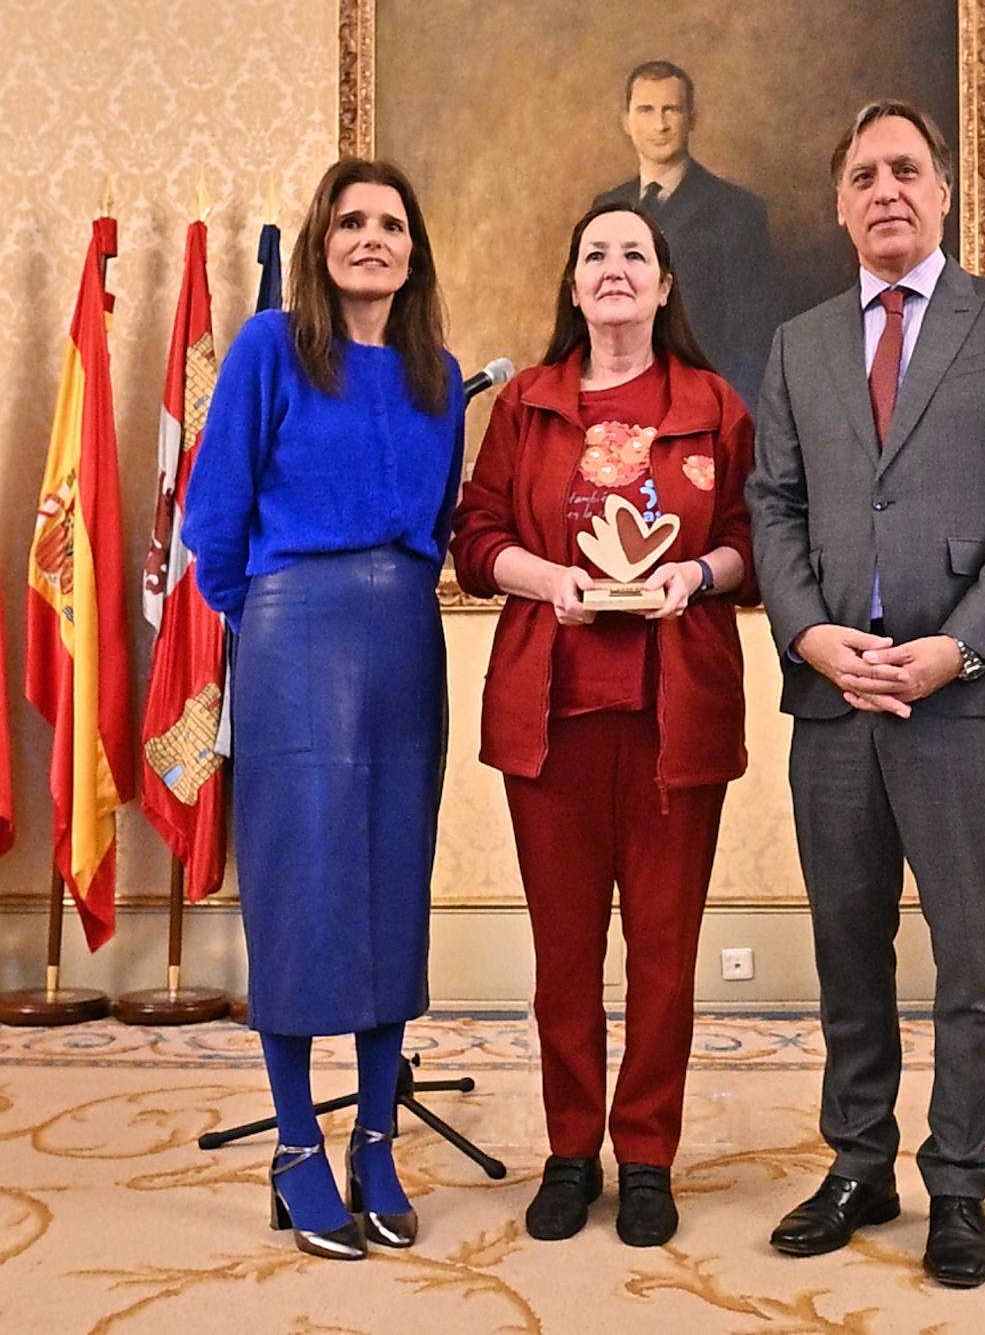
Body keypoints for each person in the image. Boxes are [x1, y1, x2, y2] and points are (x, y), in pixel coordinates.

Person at [746, 100, 985, 1287]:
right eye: (862, 175)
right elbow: (771, 506)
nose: (885, 189)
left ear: (941, 191)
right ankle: (856, 1162)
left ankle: (957, 1181)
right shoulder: (797, 344)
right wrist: (809, 633)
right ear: (839, 204)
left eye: (905, 170)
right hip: (834, 693)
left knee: (974, 954)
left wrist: (959, 648)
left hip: (956, 693)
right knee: (846, 946)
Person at [450, 204, 757, 1248]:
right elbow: (475, 535)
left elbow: (758, 545)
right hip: (553, 715)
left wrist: (694, 574)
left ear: (664, 285)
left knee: (664, 956)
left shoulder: (713, 404)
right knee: (564, 953)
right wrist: (550, 582)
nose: (615, 268)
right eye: (596, 255)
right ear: (573, 288)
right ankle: (571, 1151)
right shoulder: (526, 405)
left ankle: (648, 1157)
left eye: (635, 253)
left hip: (676, 718)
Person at [182, 158, 464, 1260]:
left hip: (404, 639)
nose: (371, 238)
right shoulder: (268, 349)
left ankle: (378, 1139)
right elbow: (215, 524)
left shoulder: (437, 371)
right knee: (303, 889)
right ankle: (297, 1142)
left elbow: (437, 524)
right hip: (293, 634)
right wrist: (273, 631)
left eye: (391, 223)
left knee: (393, 881)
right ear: (321, 240)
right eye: (351, 221)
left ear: (412, 249)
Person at [593, 60, 776, 410]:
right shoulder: (605, 208)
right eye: (646, 110)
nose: (659, 125)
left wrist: (729, 421)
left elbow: (751, 341)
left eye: (671, 110)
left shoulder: (737, 211)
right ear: (626, 122)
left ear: (692, 118)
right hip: (618, 405)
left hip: (701, 406)